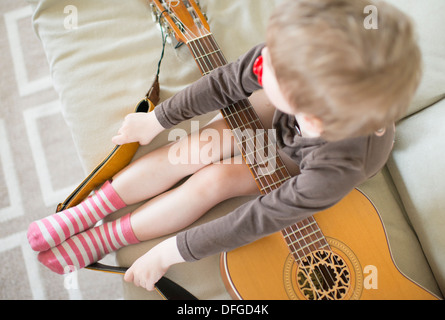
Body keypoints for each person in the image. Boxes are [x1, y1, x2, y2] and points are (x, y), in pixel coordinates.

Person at [27, 0, 421, 292]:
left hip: (303, 158)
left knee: (214, 181)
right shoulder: (291, 56)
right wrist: (156, 120)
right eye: (271, 59)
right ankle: (87, 212)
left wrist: (168, 253)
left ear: (314, 114)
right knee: (201, 144)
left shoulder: (334, 170)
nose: (263, 67)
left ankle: (105, 238)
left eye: (273, 74)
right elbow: (226, 82)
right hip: (306, 118)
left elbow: (259, 218)